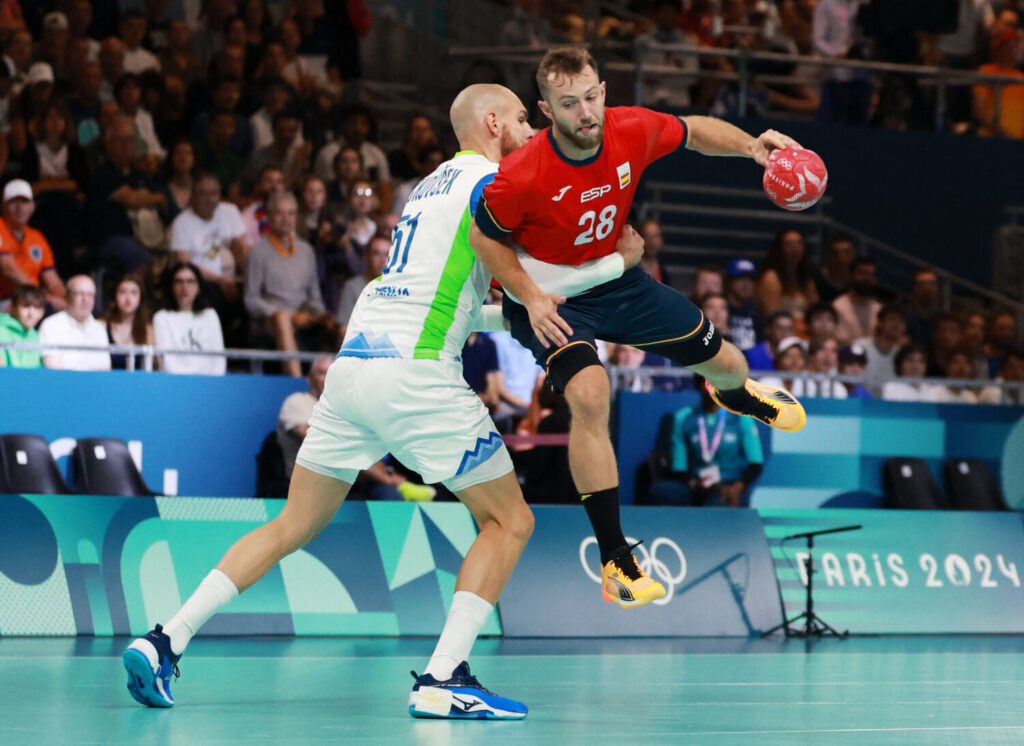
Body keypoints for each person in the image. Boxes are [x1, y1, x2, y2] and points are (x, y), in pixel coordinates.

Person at [123, 82, 636, 719]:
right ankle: (444, 678)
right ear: (494, 121)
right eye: (526, 120)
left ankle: (165, 637)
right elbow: (539, 285)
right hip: (416, 373)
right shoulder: (492, 189)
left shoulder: (425, 189)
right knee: (511, 521)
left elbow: (472, 305)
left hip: (355, 365)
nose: (534, 132)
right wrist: (616, 262)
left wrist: (536, 312)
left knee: (291, 525)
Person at [470, 47, 806, 610]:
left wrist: (752, 146)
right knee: (592, 393)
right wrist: (528, 298)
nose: (586, 113)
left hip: (620, 283)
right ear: (546, 109)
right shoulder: (523, 171)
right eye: (569, 103)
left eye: (592, 96)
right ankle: (616, 562)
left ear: (603, 89)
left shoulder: (629, 128)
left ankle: (734, 396)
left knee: (732, 364)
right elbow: (485, 237)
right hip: (554, 302)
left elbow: (694, 130)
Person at [276, 355, 423, 501]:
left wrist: (388, 477)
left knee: (392, 495)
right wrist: (387, 479)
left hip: (354, 483)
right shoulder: (297, 402)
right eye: (322, 373)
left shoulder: (349, 408)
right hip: (313, 485)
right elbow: (320, 440)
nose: (328, 378)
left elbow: (365, 450)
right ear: (309, 379)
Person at [244, 191, 339, 377]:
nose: (285, 219)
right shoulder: (257, 252)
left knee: (337, 325)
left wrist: (313, 316)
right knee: (282, 319)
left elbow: (316, 299)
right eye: (279, 213)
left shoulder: (306, 250)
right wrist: (287, 314)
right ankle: (295, 382)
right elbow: (251, 299)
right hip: (271, 319)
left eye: (291, 213)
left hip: (303, 315)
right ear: (269, 216)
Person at [664, 375, 764, 507]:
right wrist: (694, 484)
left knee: (718, 502)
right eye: (708, 383)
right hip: (697, 483)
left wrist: (737, 488)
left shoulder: (740, 417)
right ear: (698, 386)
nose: (713, 389)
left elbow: (756, 463)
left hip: (729, 483)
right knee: (664, 491)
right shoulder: (683, 418)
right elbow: (679, 467)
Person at [168, 173, 247, 307]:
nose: (209, 199)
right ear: (193, 196)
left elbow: (240, 250)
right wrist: (221, 281)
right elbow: (185, 266)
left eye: (214, 193)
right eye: (203, 193)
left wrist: (248, 278)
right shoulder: (181, 223)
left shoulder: (229, 211)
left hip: (232, 278)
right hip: (202, 282)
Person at [0, 179, 67, 310]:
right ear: (3, 206)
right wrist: (45, 297)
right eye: (13, 202)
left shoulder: (37, 237)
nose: (19, 208)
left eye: (24, 202)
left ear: (32, 206)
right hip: (6, 301)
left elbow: (53, 280)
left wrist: (65, 300)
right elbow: (8, 269)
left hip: (33, 300)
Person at [152, 262, 226, 376]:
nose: (185, 287)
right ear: (171, 286)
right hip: (175, 384)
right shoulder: (162, 317)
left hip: (209, 385)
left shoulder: (210, 315)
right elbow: (166, 362)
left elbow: (219, 360)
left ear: (199, 286)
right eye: (179, 281)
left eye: (190, 281)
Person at [38, 274, 112, 370]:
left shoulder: (99, 328)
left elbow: (106, 369)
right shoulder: (51, 325)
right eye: (79, 294)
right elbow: (54, 371)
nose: (85, 300)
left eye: (90, 295)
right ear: (68, 297)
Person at [335, 235, 388, 334]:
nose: (382, 260)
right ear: (366, 257)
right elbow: (344, 331)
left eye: (387, 254)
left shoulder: (401, 288)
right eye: (376, 254)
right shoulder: (352, 287)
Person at [104, 275, 153, 370]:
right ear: (114, 296)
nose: (128, 298)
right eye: (122, 292)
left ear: (140, 298)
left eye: (134, 293)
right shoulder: (102, 326)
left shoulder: (149, 331)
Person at [832, 256, 882, 345]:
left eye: (871, 275)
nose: (867, 279)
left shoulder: (879, 309)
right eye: (862, 273)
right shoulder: (838, 306)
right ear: (851, 276)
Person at [856, 303, 906, 387]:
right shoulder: (861, 346)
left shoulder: (901, 354)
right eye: (892, 319)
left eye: (901, 321)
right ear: (880, 323)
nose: (896, 324)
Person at [0, 283, 46, 368]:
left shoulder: (35, 336)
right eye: (25, 306)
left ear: (43, 312)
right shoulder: (1, 329)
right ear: (12, 307)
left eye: (37, 308)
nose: (31, 314)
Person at [725, 258, 763, 353]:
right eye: (740, 279)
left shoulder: (756, 313)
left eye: (750, 280)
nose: (746, 285)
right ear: (729, 281)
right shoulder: (722, 309)